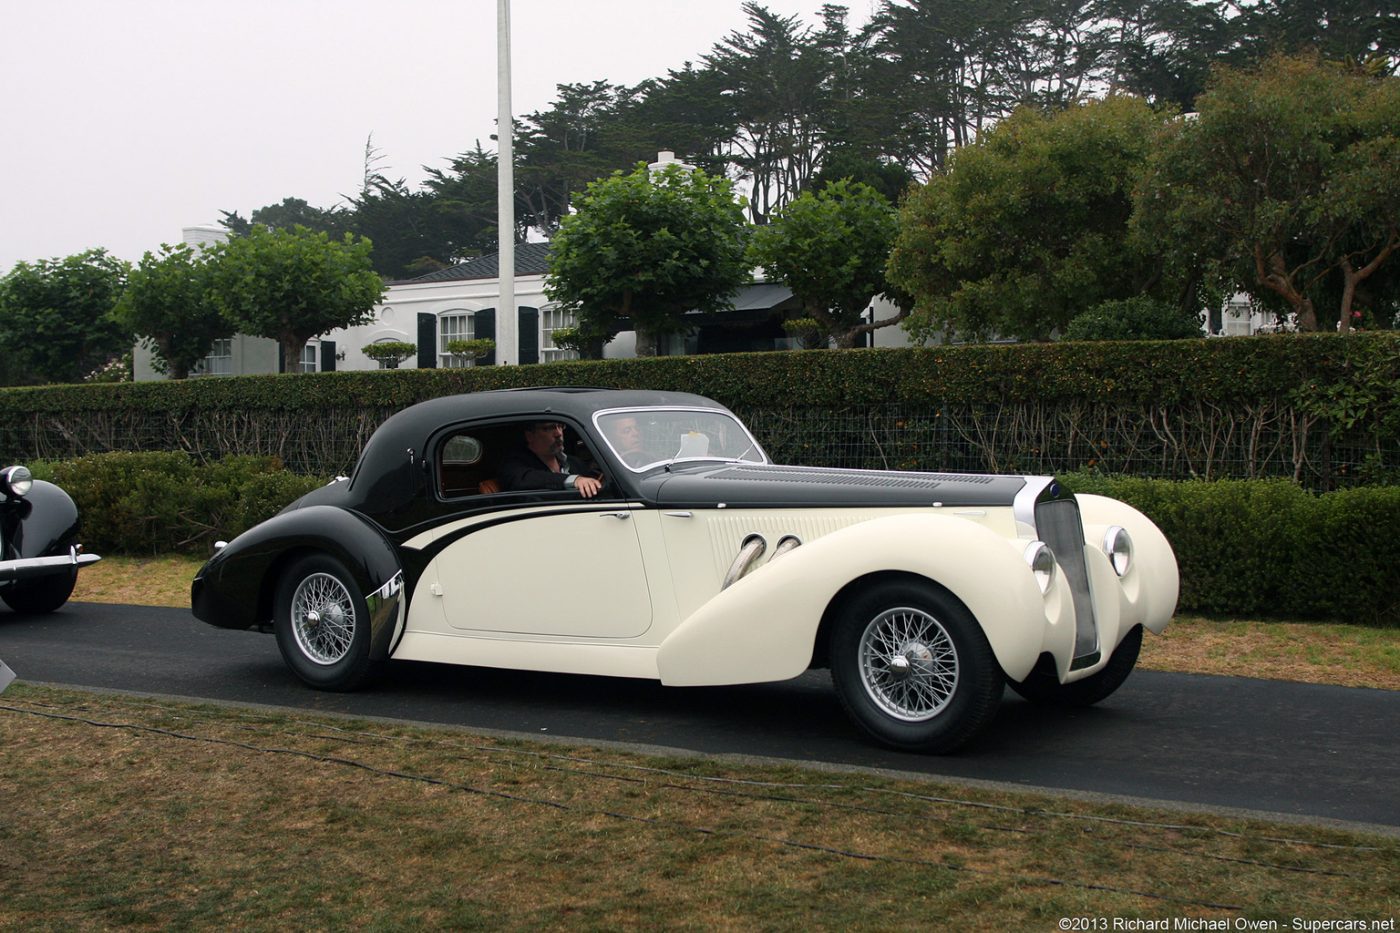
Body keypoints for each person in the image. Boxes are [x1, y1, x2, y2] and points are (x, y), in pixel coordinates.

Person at [498, 421, 602, 498]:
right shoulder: (515, 466)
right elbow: (525, 479)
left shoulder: (575, 463)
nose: (558, 433)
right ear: (530, 436)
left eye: (560, 426)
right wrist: (573, 480)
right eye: (548, 428)